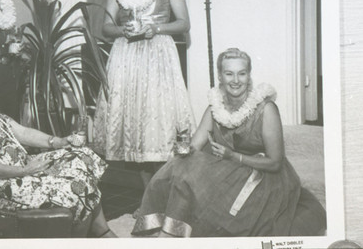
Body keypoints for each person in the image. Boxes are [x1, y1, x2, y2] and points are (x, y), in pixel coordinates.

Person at [131, 48, 327, 237]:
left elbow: (275, 163)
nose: (235, 81)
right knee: (183, 163)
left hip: (265, 178)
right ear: (220, 76)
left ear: (248, 76)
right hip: (228, 171)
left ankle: (174, 233)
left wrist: (233, 156)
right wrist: (182, 147)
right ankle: (170, 231)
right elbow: (193, 148)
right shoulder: (214, 108)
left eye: (241, 74)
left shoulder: (266, 109)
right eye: (229, 74)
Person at [0, 49, 117, 238]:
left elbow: (21, 131)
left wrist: (58, 142)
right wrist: (23, 172)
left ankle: (101, 231)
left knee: (84, 156)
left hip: (24, 166)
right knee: (75, 186)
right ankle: (85, 238)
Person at [92, 0, 197, 186]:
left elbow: (184, 23)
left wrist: (156, 27)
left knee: (158, 128)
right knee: (137, 130)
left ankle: (167, 195)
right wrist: (122, 31)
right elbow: (104, 27)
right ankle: (148, 199)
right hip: (126, 59)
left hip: (158, 56)